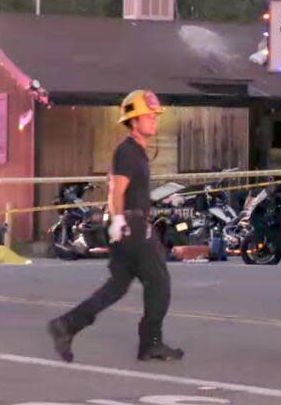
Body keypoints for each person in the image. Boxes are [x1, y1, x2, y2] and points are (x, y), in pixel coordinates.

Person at [48, 90, 183, 362]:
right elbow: (116, 190)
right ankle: (151, 343)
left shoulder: (137, 152)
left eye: (155, 116)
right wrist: (119, 220)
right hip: (133, 226)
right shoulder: (127, 152)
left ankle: (67, 325)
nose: (154, 121)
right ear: (133, 121)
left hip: (129, 224)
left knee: (117, 287)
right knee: (159, 283)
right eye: (149, 116)